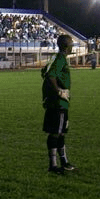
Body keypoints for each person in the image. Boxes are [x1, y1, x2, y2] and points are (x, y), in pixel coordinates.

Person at [41, 34, 77, 174]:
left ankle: (64, 162)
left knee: (61, 133)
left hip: (60, 102)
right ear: (66, 46)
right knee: (56, 133)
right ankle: (53, 166)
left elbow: (44, 71)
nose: (72, 46)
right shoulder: (60, 58)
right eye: (71, 44)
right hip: (58, 103)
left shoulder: (56, 58)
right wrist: (59, 92)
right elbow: (50, 76)